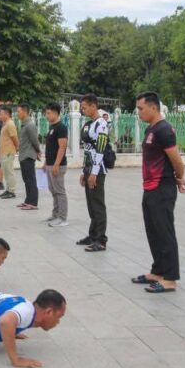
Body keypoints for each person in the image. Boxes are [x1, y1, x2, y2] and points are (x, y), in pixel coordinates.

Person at [132, 92, 185, 293]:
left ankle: (170, 278)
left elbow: (176, 160)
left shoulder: (164, 130)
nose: (138, 112)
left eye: (141, 108)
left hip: (162, 188)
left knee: (165, 232)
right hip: (149, 187)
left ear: (154, 108)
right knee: (153, 231)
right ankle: (158, 271)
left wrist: (179, 177)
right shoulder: (151, 129)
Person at [77, 94, 109, 252]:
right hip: (89, 169)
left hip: (98, 170)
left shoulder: (101, 124)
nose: (83, 110)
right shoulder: (90, 124)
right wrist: (85, 171)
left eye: (84, 107)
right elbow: (87, 150)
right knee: (91, 205)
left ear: (93, 106)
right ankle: (92, 235)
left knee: (98, 205)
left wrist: (94, 173)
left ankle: (101, 240)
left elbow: (100, 150)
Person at [42, 103, 69, 227]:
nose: (46, 116)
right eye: (46, 113)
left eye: (48, 113)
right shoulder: (52, 127)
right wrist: (46, 162)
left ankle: (62, 218)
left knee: (59, 191)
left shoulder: (61, 128)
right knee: (53, 190)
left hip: (57, 165)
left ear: (56, 113)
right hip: (50, 164)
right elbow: (51, 147)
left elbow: (62, 147)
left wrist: (56, 164)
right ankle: (55, 214)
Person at [17, 104, 43, 210]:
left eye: (19, 111)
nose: (17, 114)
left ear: (25, 112)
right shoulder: (24, 124)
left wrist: (38, 151)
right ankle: (28, 200)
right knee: (26, 180)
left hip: (28, 156)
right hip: (23, 155)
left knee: (31, 180)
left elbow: (35, 140)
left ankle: (33, 203)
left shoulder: (30, 125)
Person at [0, 106, 19, 199]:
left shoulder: (10, 124)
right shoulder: (5, 124)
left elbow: (14, 137)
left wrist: (17, 147)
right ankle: (8, 189)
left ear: (7, 114)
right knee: (6, 172)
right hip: (3, 152)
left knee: (9, 172)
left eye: (1, 114)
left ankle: (12, 191)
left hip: (8, 152)